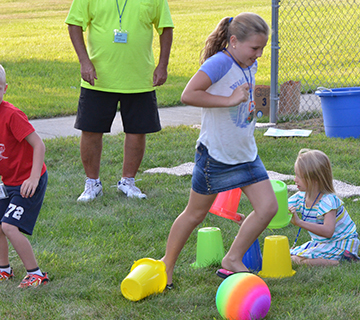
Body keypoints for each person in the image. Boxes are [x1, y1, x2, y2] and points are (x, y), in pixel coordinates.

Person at [160, 13, 276, 288]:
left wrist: (256, 105)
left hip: (245, 152)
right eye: (254, 48)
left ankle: (233, 258)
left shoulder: (247, 62)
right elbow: (189, 94)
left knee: (268, 207)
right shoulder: (220, 62)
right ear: (233, 41)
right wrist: (228, 100)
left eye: (262, 49)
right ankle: (166, 265)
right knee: (195, 214)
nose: (259, 55)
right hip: (216, 156)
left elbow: (245, 96)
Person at [65, 0, 174, 202]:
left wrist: (163, 65)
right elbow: (74, 24)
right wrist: (84, 61)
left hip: (139, 77)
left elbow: (166, 28)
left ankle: (128, 182)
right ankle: (92, 183)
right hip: (97, 78)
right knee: (90, 130)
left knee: (137, 130)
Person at [0, 64, 50, 288]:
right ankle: (4, 270)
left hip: (29, 181)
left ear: (5, 89)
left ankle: (36, 274)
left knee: (9, 227)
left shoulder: (12, 115)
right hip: (7, 182)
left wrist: (33, 178)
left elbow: (38, 145)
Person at [288, 149, 360, 266]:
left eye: (299, 176)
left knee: (299, 260)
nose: (295, 179)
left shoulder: (328, 201)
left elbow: (328, 231)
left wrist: (299, 222)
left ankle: (341, 261)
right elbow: (279, 207)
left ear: (315, 179)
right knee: (288, 255)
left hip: (341, 243)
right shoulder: (301, 196)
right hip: (321, 242)